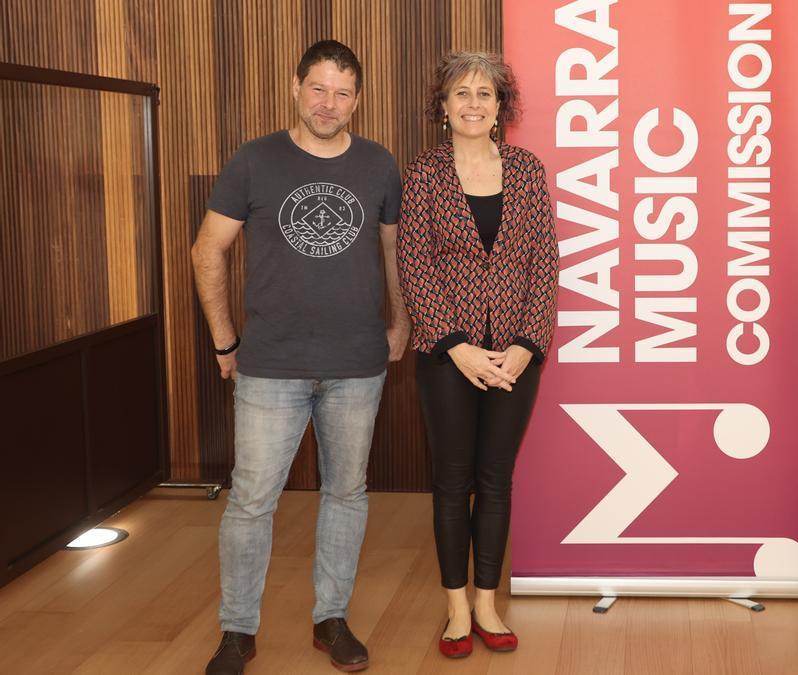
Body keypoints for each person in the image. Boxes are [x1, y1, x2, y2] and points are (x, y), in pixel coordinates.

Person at [191, 39, 410, 675]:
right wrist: (224, 339)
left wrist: (400, 322)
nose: (328, 103)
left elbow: (395, 253)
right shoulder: (254, 161)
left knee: (347, 492)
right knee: (253, 500)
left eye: (342, 93)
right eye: (318, 88)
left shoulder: (378, 164)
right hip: (270, 363)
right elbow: (208, 251)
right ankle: (237, 632)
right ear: (295, 86)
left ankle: (332, 618)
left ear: (358, 100)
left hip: (357, 362)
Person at [397, 50, 557, 659]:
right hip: (446, 357)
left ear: (500, 107)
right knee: (451, 482)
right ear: (443, 107)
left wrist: (525, 345)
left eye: (484, 94)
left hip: (515, 355)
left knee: (495, 480)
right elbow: (414, 264)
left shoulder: (524, 168)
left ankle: (488, 602)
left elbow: (545, 262)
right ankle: (456, 608)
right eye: (461, 93)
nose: (472, 103)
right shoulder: (424, 173)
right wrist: (456, 346)